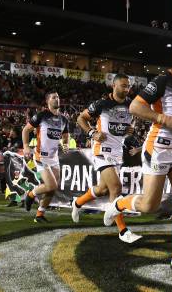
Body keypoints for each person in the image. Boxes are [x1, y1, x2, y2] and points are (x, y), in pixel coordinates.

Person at [104, 45, 172, 273]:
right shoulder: (162, 80)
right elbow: (135, 106)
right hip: (158, 148)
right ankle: (118, 204)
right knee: (150, 205)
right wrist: (160, 117)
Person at [71, 74, 142, 243]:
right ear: (114, 85)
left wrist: (129, 130)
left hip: (117, 153)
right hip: (101, 150)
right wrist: (91, 133)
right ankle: (123, 231)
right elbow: (80, 118)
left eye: (128, 86)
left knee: (103, 189)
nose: (127, 89)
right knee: (116, 188)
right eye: (123, 85)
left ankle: (78, 203)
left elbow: (127, 125)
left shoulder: (130, 105)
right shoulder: (101, 104)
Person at [22, 92, 69, 223]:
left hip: (54, 158)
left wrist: (65, 144)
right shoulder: (41, 115)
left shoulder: (64, 119)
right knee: (51, 185)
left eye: (58, 97)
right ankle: (31, 194)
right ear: (48, 101)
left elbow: (65, 136)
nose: (57, 99)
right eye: (54, 97)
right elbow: (26, 130)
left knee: (52, 188)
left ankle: (39, 214)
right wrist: (26, 146)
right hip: (41, 156)